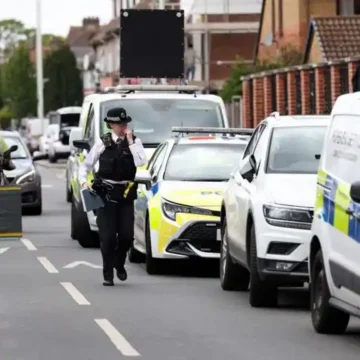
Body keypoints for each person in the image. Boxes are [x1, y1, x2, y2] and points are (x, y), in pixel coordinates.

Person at [79, 107, 147, 286]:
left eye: (124, 122)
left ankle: (119, 262)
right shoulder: (103, 143)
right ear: (111, 124)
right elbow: (85, 166)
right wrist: (83, 183)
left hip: (125, 194)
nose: (122, 126)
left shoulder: (134, 142)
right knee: (107, 237)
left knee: (126, 236)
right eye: (118, 123)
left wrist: (131, 141)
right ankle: (107, 274)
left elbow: (141, 162)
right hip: (105, 195)